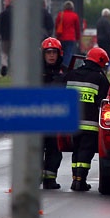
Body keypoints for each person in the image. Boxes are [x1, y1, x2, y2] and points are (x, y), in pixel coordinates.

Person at [64, 47, 110, 191]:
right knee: (86, 152)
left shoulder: (71, 75)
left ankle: (75, 180)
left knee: (76, 151)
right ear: (100, 62)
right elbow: (104, 102)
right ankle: (80, 181)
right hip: (90, 125)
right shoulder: (100, 79)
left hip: (72, 123)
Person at [40, 37, 67, 189]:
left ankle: (50, 179)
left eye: (54, 52)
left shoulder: (65, 72)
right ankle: (34, 178)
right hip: (38, 120)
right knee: (35, 151)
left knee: (54, 151)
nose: (51, 55)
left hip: (56, 120)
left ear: (59, 54)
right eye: (48, 52)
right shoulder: (34, 73)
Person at [0, 0, 13, 76]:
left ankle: (4, 67)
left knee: (4, 54)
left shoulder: (3, 13)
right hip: (14, 37)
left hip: (5, 37)